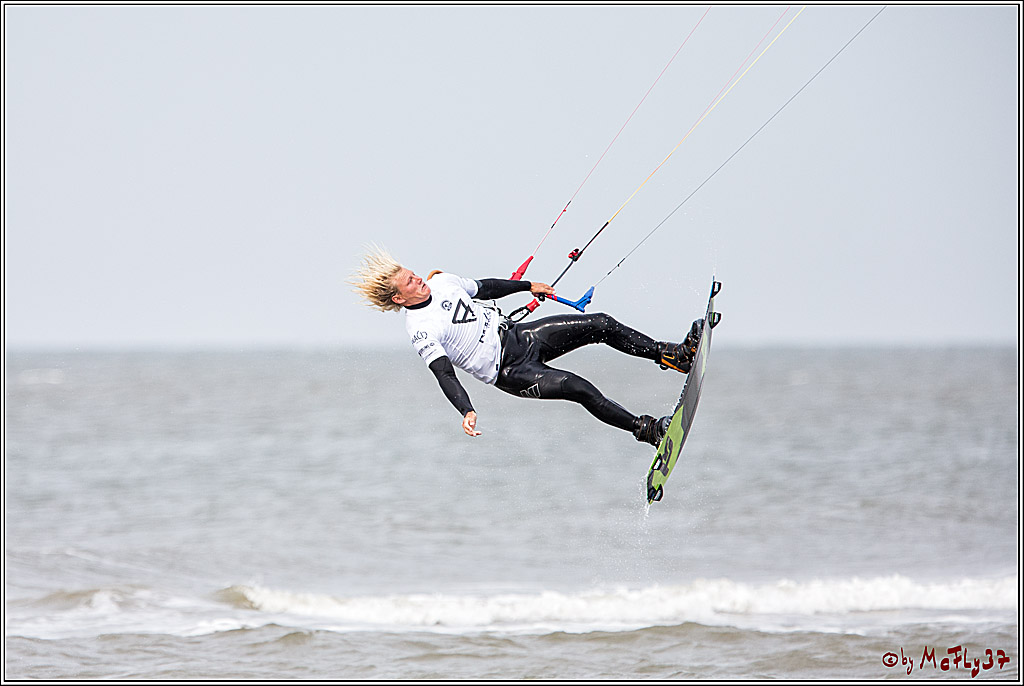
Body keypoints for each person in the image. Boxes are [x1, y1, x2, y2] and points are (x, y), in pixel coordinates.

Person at [351, 246, 702, 447]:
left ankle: (672, 355)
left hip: (521, 337)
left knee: (601, 324)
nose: (418, 280)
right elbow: (444, 374)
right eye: (410, 282)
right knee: (577, 388)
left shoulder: (441, 282)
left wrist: (526, 286)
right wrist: (466, 410)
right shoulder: (420, 329)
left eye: (414, 273)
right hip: (511, 372)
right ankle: (648, 430)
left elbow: (484, 287)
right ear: (399, 297)